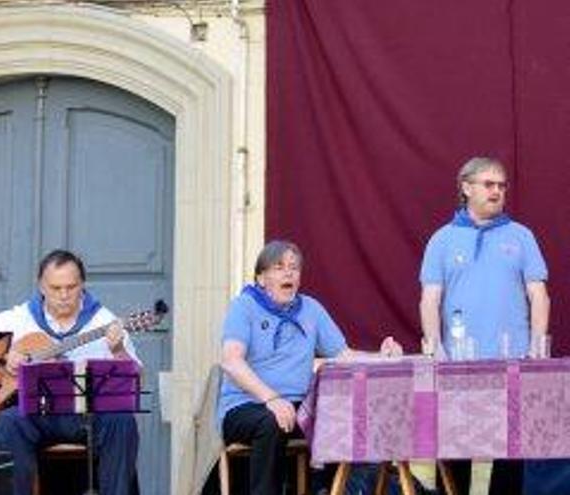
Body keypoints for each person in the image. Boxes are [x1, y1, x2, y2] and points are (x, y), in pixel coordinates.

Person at [218, 239, 403, 495]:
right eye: (279, 267)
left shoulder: (311, 310)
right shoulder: (244, 306)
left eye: (294, 268)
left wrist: (383, 357)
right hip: (244, 407)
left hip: (296, 408)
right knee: (273, 421)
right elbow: (231, 361)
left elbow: (344, 355)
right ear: (261, 278)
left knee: (345, 419)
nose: (289, 272)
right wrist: (271, 398)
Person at [419, 157, 550, 495]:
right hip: (459, 364)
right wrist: (434, 348)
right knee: (455, 454)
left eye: (501, 185)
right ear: (466, 187)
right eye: (488, 184)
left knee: (510, 454)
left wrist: (537, 347)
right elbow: (430, 299)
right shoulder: (442, 240)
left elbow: (539, 294)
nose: (497, 191)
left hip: (514, 361)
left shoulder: (521, 236)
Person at [0, 249, 140, 495]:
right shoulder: (20, 317)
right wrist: (4, 357)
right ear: (41, 286)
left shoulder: (104, 320)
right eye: (55, 288)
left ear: (82, 285)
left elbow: (133, 381)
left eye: (71, 287)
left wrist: (118, 349)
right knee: (8, 422)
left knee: (122, 422)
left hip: (85, 416)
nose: (63, 295)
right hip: (37, 414)